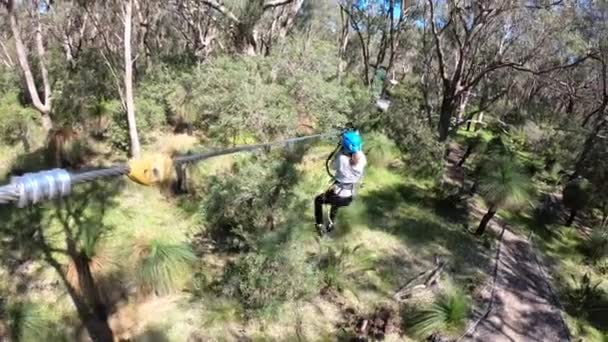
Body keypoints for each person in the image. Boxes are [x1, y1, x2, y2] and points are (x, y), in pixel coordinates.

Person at [315, 130, 367, 235]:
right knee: (336, 205)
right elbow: (357, 150)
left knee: (318, 200)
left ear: (344, 147)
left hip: (337, 195)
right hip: (349, 197)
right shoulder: (362, 159)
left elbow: (331, 166)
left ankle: (319, 225)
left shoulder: (341, 158)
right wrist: (354, 136)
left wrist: (340, 149)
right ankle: (331, 224)